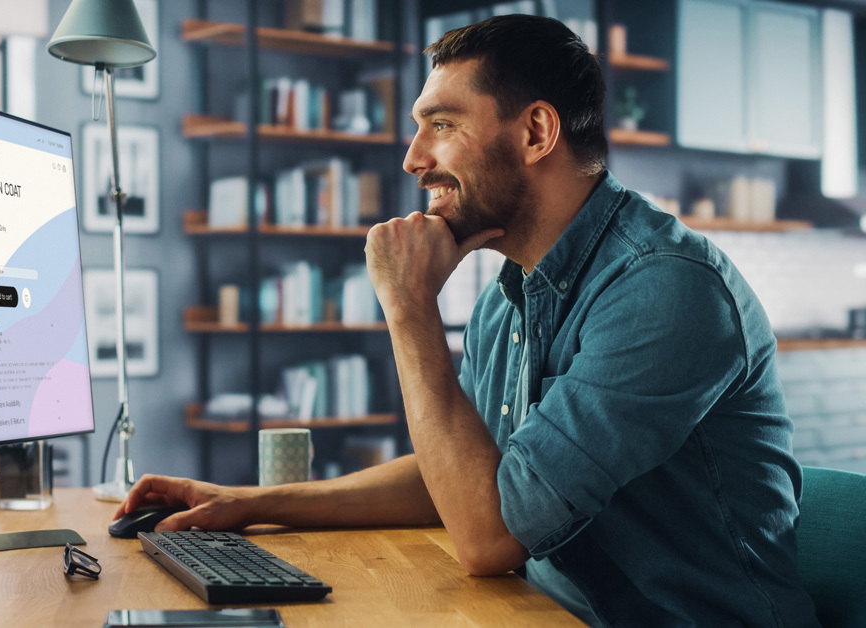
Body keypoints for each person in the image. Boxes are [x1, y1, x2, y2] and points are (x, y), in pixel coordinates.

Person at [116, 15, 818, 627]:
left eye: (442, 126)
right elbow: (470, 481)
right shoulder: (506, 296)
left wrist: (409, 306)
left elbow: (488, 534)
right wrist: (246, 505)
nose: (413, 160)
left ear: (537, 131)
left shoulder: (664, 292)